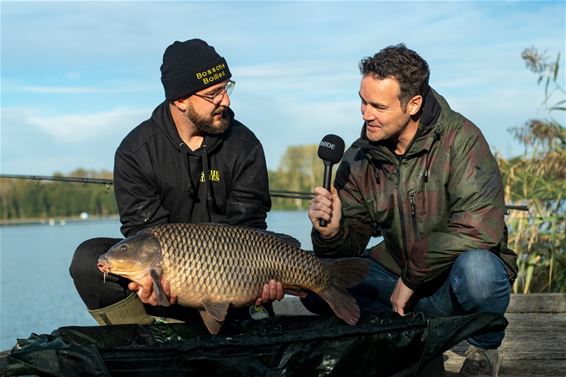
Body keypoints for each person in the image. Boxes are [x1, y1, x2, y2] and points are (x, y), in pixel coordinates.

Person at [307, 44, 518, 377]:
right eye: (362, 101)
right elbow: (351, 245)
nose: (365, 114)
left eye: (378, 106)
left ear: (413, 104)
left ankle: (484, 348)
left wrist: (412, 275)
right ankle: (408, 328)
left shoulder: (461, 140)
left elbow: (480, 229)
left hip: (447, 284)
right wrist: (331, 232)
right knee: (317, 277)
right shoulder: (360, 155)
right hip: (395, 281)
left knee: (479, 270)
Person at [70, 39, 283, 328]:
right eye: (214, 93)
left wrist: (263, 284)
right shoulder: (136, 152)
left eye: (227, 88)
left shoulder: (244, 146)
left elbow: (250, 229)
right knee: (87, 261)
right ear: (181, 100)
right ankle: (146, 338)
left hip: (233, 279)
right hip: (171, 278)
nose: (227, 101)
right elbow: (141, 232)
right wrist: (154, 284)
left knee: (273, 266)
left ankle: (233, 322)